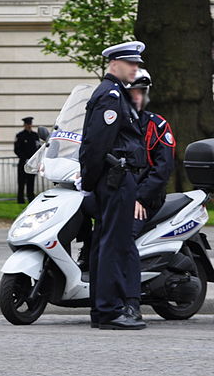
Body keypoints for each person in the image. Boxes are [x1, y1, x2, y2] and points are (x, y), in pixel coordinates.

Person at [78, 41, 147, 330]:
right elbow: (95, 145)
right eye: (131, 63)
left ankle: (103, 309)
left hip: (114, 178)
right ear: (114, 64)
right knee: (112, 245)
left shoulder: (115, 94)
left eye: (136, 64)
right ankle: (109, 311)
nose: (135, 68)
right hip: (115, 179)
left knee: (106, 244)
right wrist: (93, 179)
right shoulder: (110, 95)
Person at [125, 69, 175, 319]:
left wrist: (140, 197)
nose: (137, 96)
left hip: (146, 197)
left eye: (141, 92)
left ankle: (132, 302)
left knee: (125, 238)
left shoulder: (157, 124)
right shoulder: (116, 122)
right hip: (119, 194)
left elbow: (162, 168)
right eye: (132, 91)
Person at [14, 117, 39, 203]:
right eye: (27, 124)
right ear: (24, 125)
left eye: (30, 124)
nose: (29, 126)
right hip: (23, 162)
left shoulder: (35, 136)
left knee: (31, 182)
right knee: (21, 182)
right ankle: (20, 199)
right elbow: (17, 149)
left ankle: (30, 198)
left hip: (32, 163)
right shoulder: (20, 136)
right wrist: (24, 158)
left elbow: (38, 148)